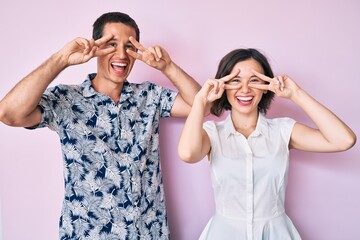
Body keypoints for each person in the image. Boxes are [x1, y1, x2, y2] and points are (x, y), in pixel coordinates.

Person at [0, 12, 201, 239]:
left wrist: (168, 67)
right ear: (96, 47)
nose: (122, 54)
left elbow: (201, 105)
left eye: (129, 46)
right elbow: (9, 113)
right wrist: (62, 59)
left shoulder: (149, 96)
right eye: (112, 44)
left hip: (148, 232)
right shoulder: (66, 100)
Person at [178, 48, 356, 239]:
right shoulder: (212, 133)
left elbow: (344, 140)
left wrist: (295, 93)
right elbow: (188, 154)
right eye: (235, 80)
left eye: (254, 80)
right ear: (222, 85)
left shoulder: (283, 130)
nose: (245, 89)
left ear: (266, 86)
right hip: (224, 232)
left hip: (276, 233)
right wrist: (200, 99)